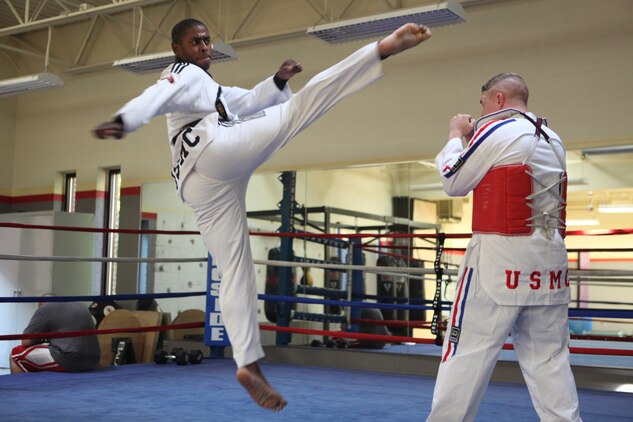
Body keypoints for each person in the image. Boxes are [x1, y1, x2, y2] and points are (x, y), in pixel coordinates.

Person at [93, 18, 432, 411]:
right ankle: (382, 48)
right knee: (301, 109)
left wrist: (277, 80)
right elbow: (156, 94)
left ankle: (247, 364)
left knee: (236, 268)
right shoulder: (181, 73)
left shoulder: (213, 89)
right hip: (214, 151)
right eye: (195, 41)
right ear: (177, 48)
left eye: (206, 41)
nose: (204, 47)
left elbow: (249, 100)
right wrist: (123, 121)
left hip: (199, 184)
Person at [427, 73, 582, 421]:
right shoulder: (554, 138)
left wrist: (455, 136)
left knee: (466, 355)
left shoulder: (497, 130)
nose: (480, 110)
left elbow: (453, 179)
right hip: (549, 266)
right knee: (550, 363)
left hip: (498, 260)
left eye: (482, 102)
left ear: (497, 99)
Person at [10, 294, 101, 374]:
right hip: (94, 359)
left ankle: (22, 390)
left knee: (15, 354)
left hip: (70, 360)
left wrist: (40, 337)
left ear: (42, 304)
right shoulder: (80, 305)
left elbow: (26, 342)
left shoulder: (45, 308)